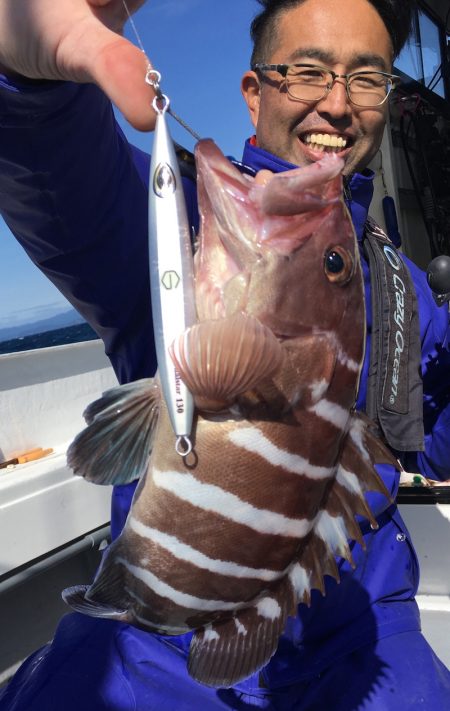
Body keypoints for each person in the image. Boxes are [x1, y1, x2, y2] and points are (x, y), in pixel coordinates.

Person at [0, 0, 449, 708]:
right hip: (162, 628)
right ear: (254, 91)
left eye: (366, 79)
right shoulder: (173, 230)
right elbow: (64, 185)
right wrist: (28, 88)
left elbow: (437, 435)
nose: (337, 103)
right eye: (308, 72)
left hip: (363, 629)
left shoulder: (404, 283)